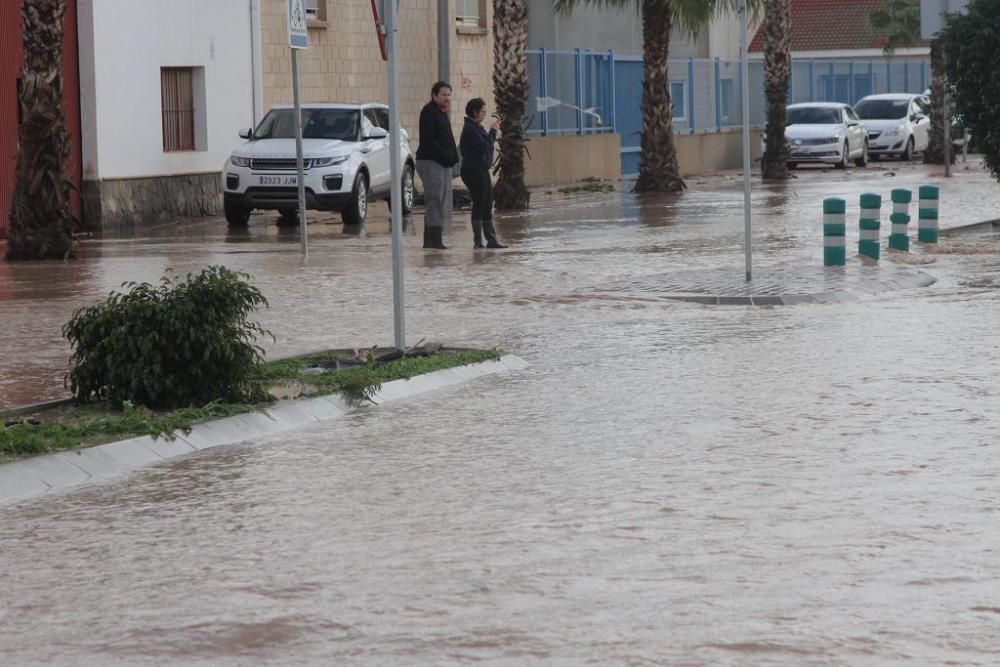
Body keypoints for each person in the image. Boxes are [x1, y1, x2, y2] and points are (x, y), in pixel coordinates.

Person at [459, 98, 507, 249]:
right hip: (473, 171)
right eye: (482, 111)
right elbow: (484, 146)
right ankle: (478, 241)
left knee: (487, 201)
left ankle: (491, 239)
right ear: (474, 112)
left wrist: (492, 131)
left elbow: (485, 145)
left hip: (481, 169)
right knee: (480, 203)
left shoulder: (476, 127)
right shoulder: (470, 129)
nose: (485, 114)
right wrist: (493, 131)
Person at [415, 81, 459, 250]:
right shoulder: (429, 112)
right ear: (434, 95)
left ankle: (430, 242)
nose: (447, 98)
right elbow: (428, 140)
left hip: (441, 163)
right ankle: (435, 241)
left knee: (439, 201)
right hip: (431, 163)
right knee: (434, 201)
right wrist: (445, 155)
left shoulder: (441, 112)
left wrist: (452, 156)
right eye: (443, 94)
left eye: (449, 94)